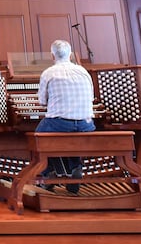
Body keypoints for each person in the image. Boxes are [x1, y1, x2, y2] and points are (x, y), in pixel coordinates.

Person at [36, 39, 95, 194]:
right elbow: (91, 98)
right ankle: (75, 167)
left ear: (52, 56)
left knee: (38, 137)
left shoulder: (48, 73)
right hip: (86, 124)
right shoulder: (84, 72)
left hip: (60, 123)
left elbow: (42, 102)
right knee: (69, 136)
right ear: (71, 55)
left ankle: (48, 173)